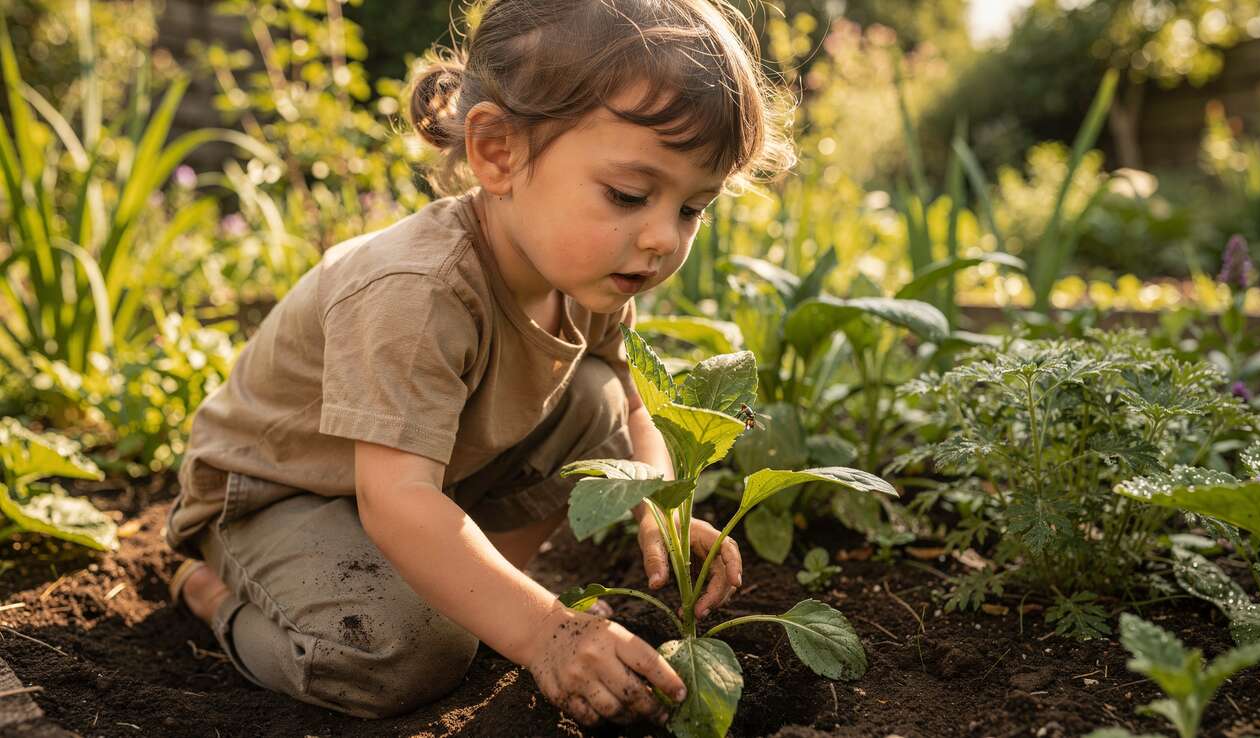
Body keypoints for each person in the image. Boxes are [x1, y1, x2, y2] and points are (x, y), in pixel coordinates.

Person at [163, 0, 795, 727]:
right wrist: (548, 633)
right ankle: (206, 589)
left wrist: (663, 501)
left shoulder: (589, 271)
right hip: (276, 495)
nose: (661, 237)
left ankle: (468, 593)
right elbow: (396, 500)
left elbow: (630, 396)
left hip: (405, 483)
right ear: (498, 152)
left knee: (597, 403)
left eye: (693, 207)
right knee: (403, 652)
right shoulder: (417, 292)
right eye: (629, 194)